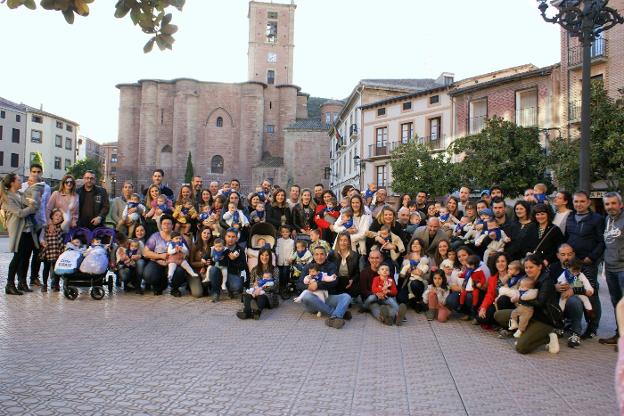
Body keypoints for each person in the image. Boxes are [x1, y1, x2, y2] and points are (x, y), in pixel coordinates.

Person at [494, 254, 560, 354]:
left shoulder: (546, 281)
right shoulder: (525, 278)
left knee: (521, 348)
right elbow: (514, 291)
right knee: (498, 315)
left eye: (531, 267)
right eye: (526, 267)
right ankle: (527, 331)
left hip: (544, 319)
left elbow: (540, 303)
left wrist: (521, 298)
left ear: (540, 266)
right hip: (527, 314)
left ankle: (549, 336)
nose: (528, 270)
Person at [565, 190, 605, 338]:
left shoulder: (597, 219)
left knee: (590, 293)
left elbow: (602, 241)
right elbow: (567, 238)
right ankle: (573, 323)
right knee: (575, 290)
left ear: (588, 202)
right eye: (576, 201)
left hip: (588, 263)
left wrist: (592, 257)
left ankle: (592, 327)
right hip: (573, 264)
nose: (579, 204)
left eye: (582, 201)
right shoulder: (570, 218)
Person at [295, 246, 352, 329]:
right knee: (306, 296)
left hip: (326, 297)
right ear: (313, 256)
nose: (319, 257)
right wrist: (309, 286)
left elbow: (334, 281)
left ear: (326, 255)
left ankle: (334, 317)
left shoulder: (331, 266)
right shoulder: (308, 267)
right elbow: (299, 284)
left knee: (346, 297)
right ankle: (336, 314)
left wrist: (318, 285)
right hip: (312, 301)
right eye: (316, 254)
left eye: (322, 254)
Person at [1, 173, 39, 295]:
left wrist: (33, 204)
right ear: (12, 182)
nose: (20, 181)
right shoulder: (7, 197)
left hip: (28, 231)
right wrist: (32, 207)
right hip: (18, 231)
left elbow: (33, 205)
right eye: (18, 179)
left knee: (25, 258)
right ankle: (9, 284)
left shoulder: (21, 194)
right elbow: (20, 213)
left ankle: (22, 282)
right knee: (17, 258)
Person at [142, 216, 188, 296]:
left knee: (180, 271)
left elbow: (186, 252)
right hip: (158, 261)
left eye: (168, 224)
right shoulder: (155, 236)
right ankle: (158, 286)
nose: (166, 225)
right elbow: (145, 252)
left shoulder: (178, 236)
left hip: (175, 262)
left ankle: (175, 288)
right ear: (161, 225)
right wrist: (160, 256)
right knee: (149, 274)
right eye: (164, 223)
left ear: (172, 225)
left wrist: (175, 259)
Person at [601, 192, 624, 347]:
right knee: (616, 303)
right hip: (610, 268)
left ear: (620, 204)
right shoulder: (607, 220)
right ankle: (619, 334)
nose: (610, 207)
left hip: (623, 268)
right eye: (607, 204)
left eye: (613, 203)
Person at [205, 228, 246, 301]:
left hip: (231, 273)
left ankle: (229, 290)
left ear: (236, 238)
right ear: (225, 237)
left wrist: (233, 260)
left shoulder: (240, 250)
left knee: (236, 286)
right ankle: (216, 293)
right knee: (213, 269)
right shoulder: (218, 246)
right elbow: (211, 257)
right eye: (229, 236)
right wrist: (209, 261)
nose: (231, 239)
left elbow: (243, 265)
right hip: (218, 270)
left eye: (233, 237)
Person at [237, 248, 279, 320]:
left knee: (261, 297)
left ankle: (257, 312)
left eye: (267, 255)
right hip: (254, 292)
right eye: (262, 255)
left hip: (268, 295)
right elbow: (251, 283)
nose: (264, 257)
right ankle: (247, 312)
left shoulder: (275, 269)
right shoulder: (255, 269)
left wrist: (261, 289)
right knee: (247, 295)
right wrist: (254, 287)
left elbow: (276, 285)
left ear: (270, 257)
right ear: (259, 256)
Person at [38, 208, 65, 292]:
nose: (58, 217)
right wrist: (42, 242)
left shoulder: (61, 227)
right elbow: (41, 237)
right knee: (46, 267)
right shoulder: (46, 227)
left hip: (57, 250)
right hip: (48, 250)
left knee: (56, 268)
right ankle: (44, 284)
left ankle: (56, 283)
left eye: (60, 216)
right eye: (56, 215)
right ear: (52, 217)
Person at [329, 232, 360, 298]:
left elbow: (357, 273)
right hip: (336, 282)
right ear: (338, 242)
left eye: (345, 240)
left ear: (349, 242)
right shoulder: (332, 254)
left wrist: (352, 280)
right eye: (341, 240)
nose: (343, 243)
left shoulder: (355, 255)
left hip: (349, 282)